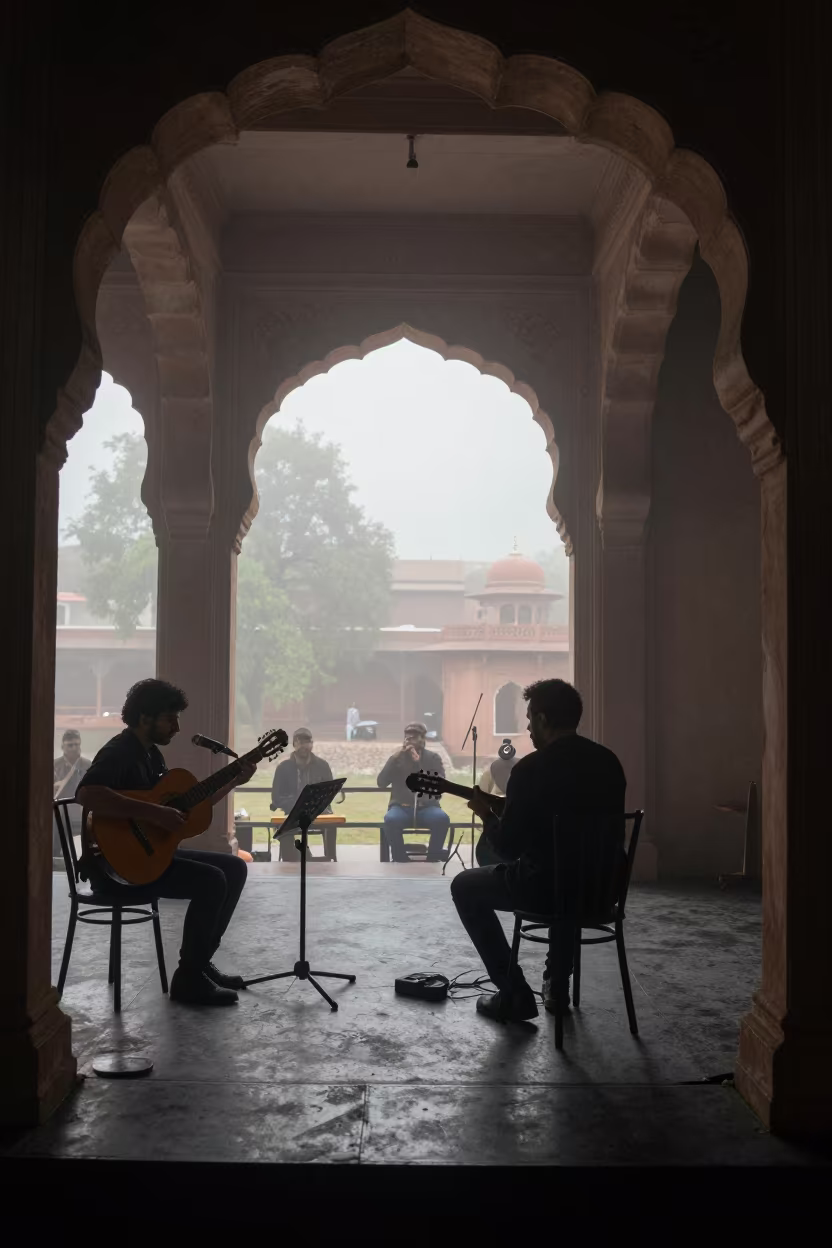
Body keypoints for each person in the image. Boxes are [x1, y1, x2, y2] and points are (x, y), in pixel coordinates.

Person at [450, 679, 626, 1024]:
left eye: (530, 719)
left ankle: (513, 994)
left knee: (465, 886)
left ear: (543, 719)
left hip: (545, 892)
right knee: (568, 871)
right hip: (603, 889)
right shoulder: (608, 762)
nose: (528, 728)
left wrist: (487, 815)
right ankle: (557, 984)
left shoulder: (530, 770)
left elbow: (507, 848)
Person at [75, 678, 257, 1007]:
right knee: (213, 880)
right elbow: (87, 794)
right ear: (145, 717)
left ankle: (198, 964)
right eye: (169, 718)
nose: (176, 726)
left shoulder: (152, 755)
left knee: (234, 867)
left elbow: (187, 808)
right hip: (116, 867)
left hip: (146, 857)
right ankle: (188, 981)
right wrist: (155, 814)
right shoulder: (119, 751)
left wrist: (233, 780)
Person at [377, 722, 450, 863]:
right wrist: (393, 760)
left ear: (423, 739)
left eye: (414, 737)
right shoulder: (397, 759)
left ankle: (433, 856)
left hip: (428, 807)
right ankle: (400, 857)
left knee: (441, 818)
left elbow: (439, 784)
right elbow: (381, 782)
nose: (410, 740)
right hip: (401, 807)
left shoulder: (433, 758)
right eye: (407, 737)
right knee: (391, 819)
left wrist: (419, 765)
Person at [271, 728, 343, 813]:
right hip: (293, 815)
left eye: (307, 742)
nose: (303, 746)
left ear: (312, 744)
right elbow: (276, 798)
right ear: (294, 744)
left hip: (320, 814)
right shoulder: (283, 768)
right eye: (300, 742)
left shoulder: (322, 766)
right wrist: (299, 805)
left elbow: (329, 793)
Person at [53, 729, 91, 799]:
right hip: (60, 807)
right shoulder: (54, 766)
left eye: (77, 745)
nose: (74, 748)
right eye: (70, 745)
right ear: (62, 747)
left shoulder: (88, 765)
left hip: (81, 807)